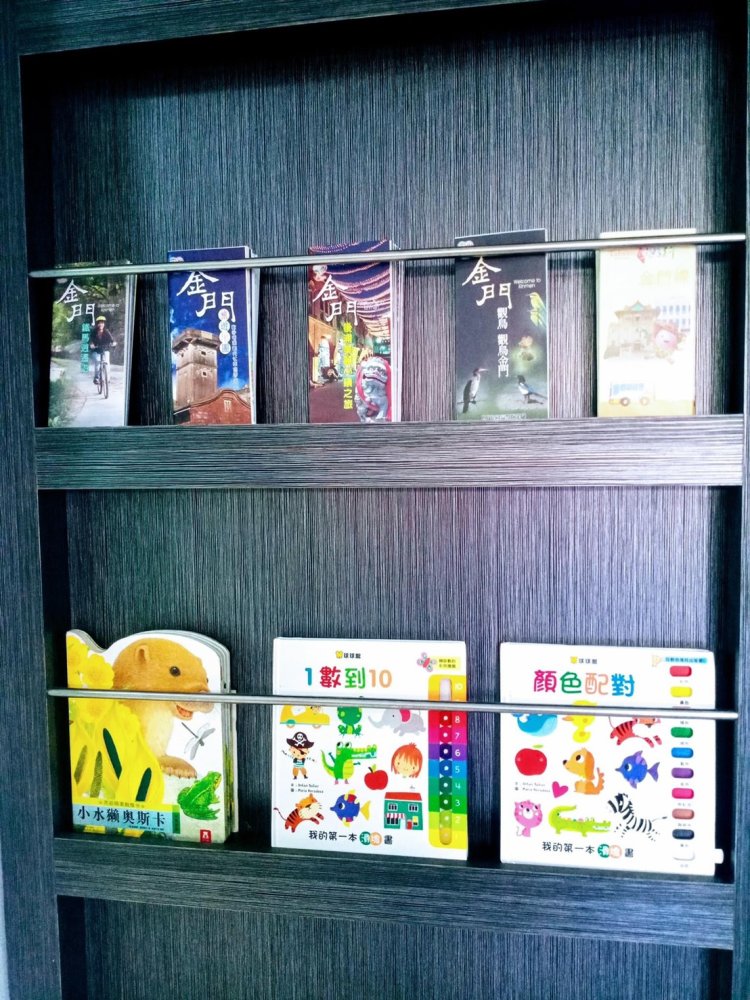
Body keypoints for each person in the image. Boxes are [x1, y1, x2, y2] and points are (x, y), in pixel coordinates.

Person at [89, 315, 115, 385]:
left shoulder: (106, 331)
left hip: (105, 349)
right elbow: (91, 340)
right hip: (96, 350)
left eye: (102, 323)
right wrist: (91, 345)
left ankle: (107, 379)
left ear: (104, 324)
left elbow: (111, 339)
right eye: (99, 323)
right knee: (97, 362)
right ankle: (96, 378)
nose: (101, 324)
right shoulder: (94, 332)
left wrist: (113, 343)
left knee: (107, 363)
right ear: (97, 324)